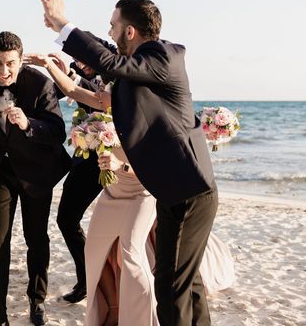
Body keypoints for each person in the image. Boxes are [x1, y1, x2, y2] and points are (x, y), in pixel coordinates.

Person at [36, 0, 218, 326]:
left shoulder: (164, 56)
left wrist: (62, 23)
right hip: (173, 191)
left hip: (188, 191)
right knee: (186, 283)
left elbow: (110, 63)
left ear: (130, 31)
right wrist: (59, 63)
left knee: (170, 287)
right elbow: (99, 81)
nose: (110, 31)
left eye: (113, 26)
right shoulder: (139, 73)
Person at [27, 53, 234, 326]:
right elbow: (72, 89)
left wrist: (118, 165)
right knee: (94, 252)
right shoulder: (104, 107)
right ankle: (108, 314)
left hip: (142, 194)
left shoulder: (147, 118)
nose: (99, 87)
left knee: (131, 255)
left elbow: (158, 169)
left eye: (105, 84)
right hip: (113, 195)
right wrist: (48, 65)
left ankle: (142, 319)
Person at [0, 32, 71, 326]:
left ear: (21, 60)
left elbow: (57, 131)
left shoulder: (40, 84)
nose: (3, 71)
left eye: (10, 63)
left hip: (36, 171)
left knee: (36, 238)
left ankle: (36, 301)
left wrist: (29, 124)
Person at [50, 55, 106, 303]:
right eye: (76, 60)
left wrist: (73, 78)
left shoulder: (116, 72)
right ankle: (87, 279)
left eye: (83, 58)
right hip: (86, 161)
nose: (80, 63)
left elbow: (97, 94)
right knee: (66, 218)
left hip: (121, 162)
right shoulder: (80, 73)